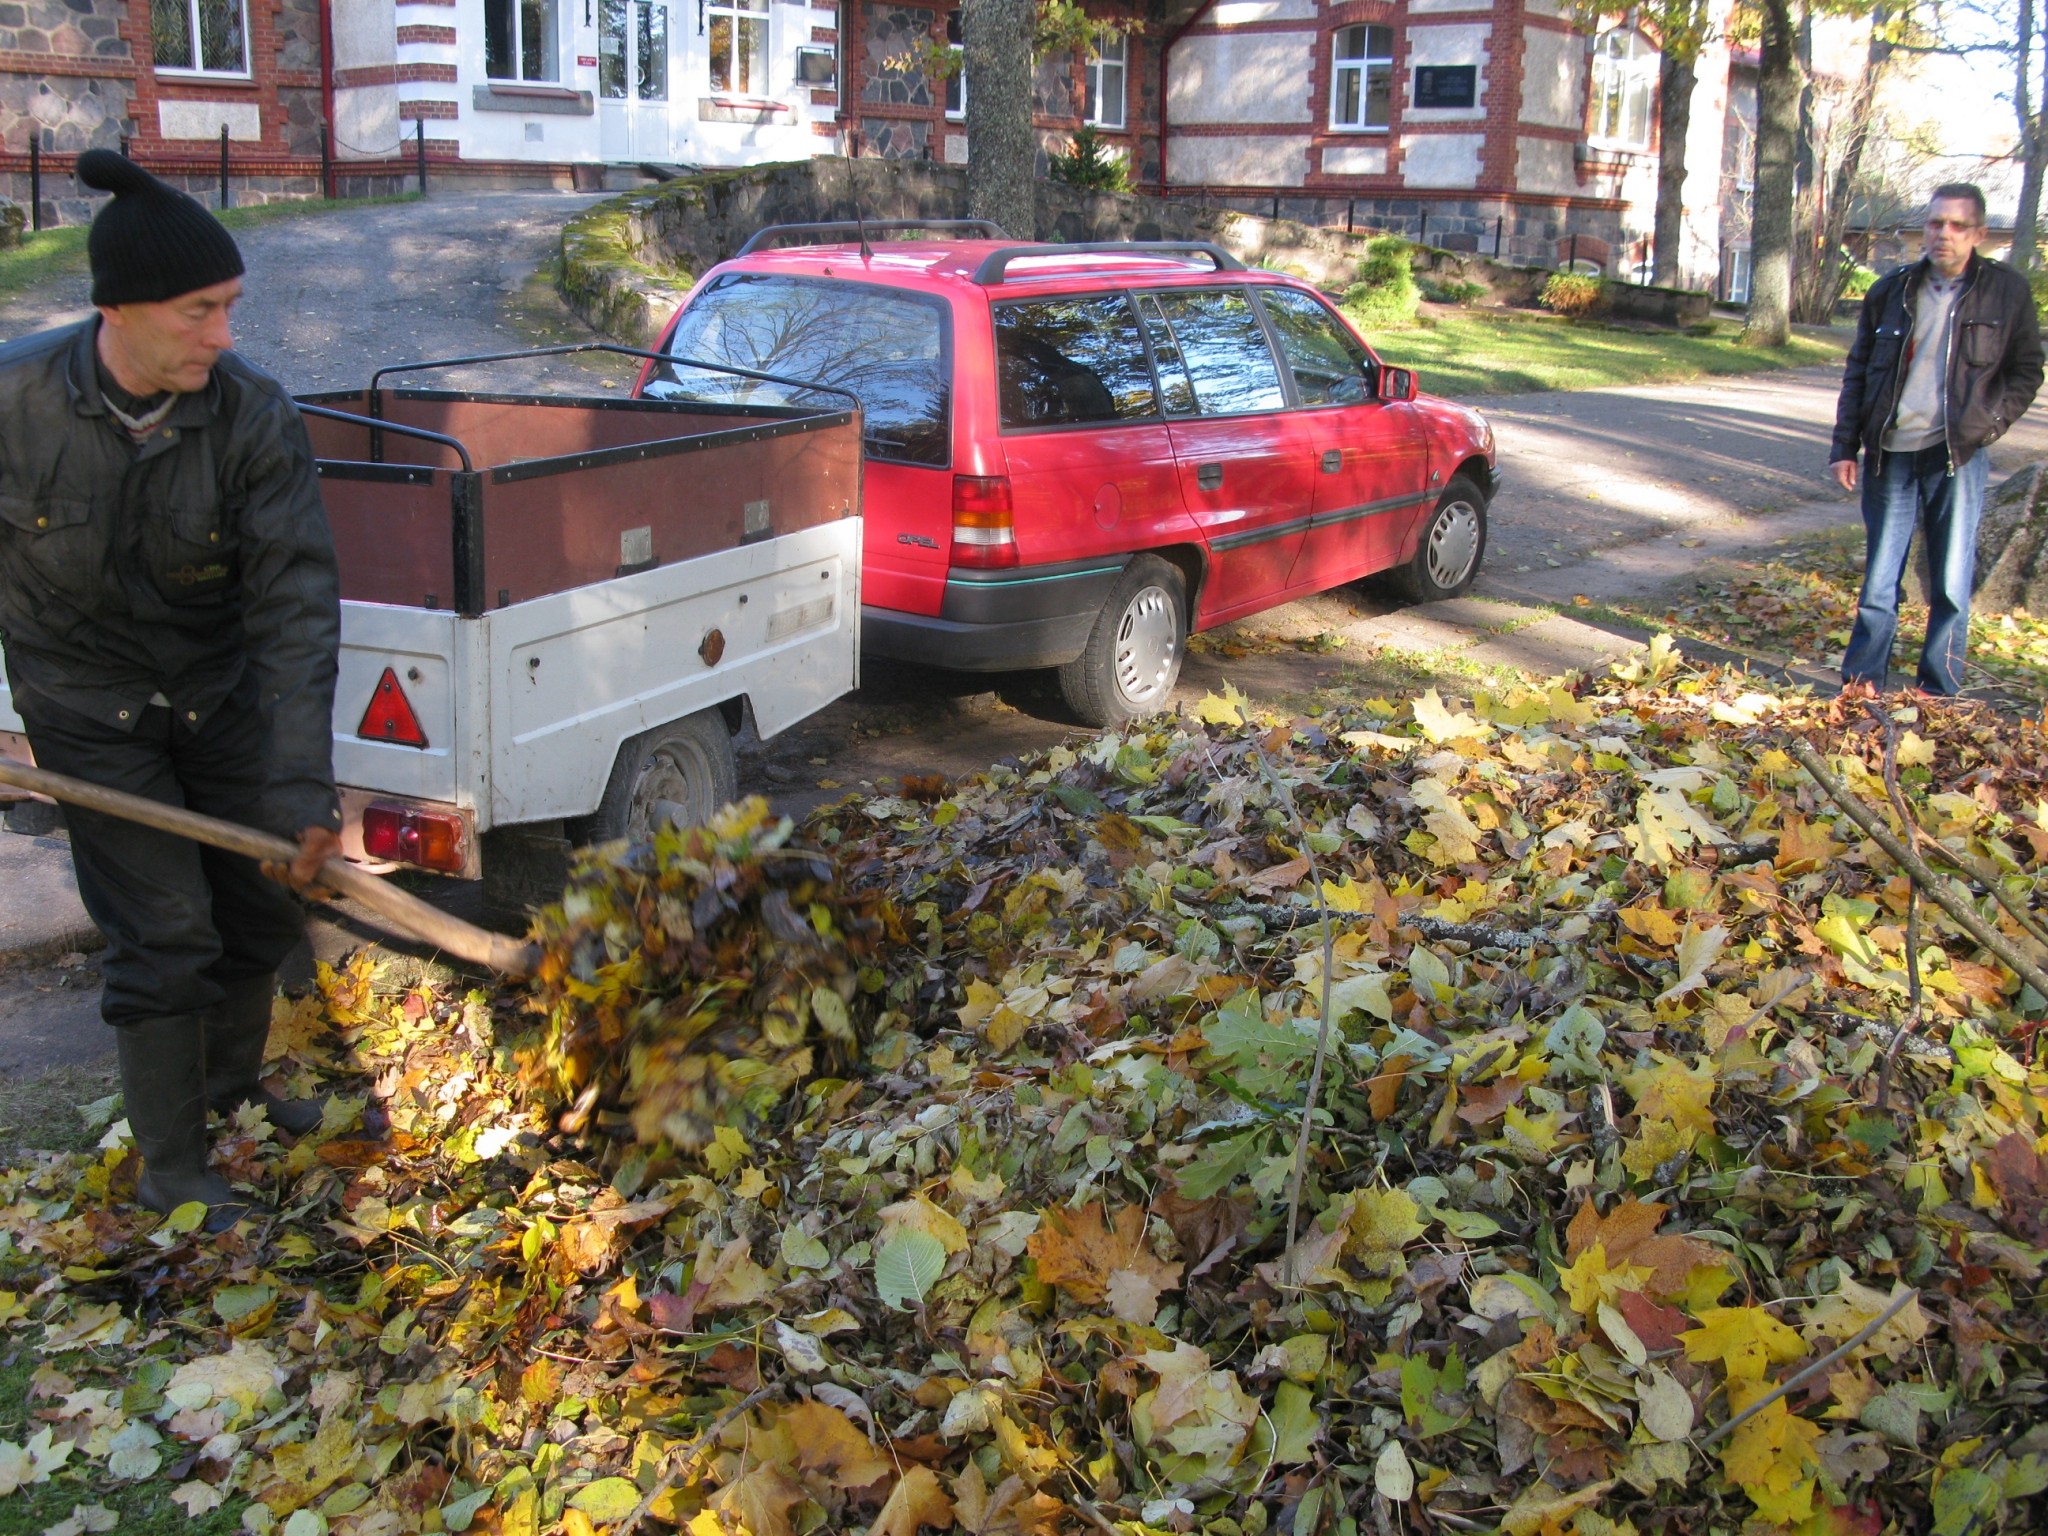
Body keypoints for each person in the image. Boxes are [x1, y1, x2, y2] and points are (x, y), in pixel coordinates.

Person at [0, 151, 342, 1231]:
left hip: (218, 696)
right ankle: (172, 1167)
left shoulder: (249, 416)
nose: (224, 335)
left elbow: (294, 604)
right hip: (84, 707)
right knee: (164, 934)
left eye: (230, 307)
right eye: (202, 311)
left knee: (254, 904)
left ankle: (232, 1095)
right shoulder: (13, 402)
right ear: (121, 310)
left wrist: (298, 789)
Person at [1830, 183, 2044, 695]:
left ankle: (1939, 690)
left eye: (1956, 225)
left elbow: (2027, 370)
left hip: (1957, 455)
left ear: (1978, 234)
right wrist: (1844, 446)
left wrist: (1985, 428)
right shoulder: (1892, 289)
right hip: (1890, 454)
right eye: (1934, 223)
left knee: (1950, 582)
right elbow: (1859, 370)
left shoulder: (2006, 292)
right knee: (1880, 582)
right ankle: (1862, 687)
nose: (1942, 234)